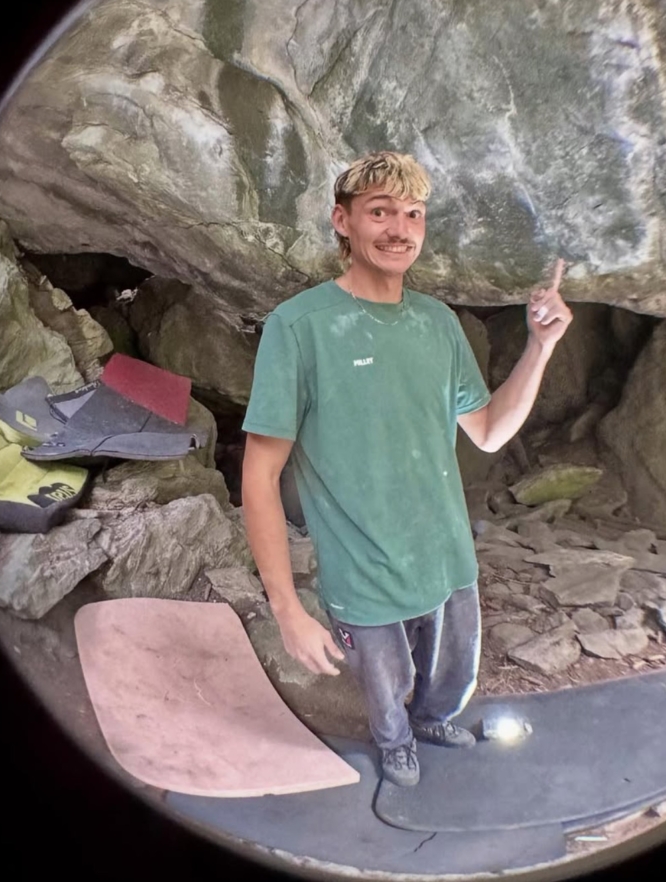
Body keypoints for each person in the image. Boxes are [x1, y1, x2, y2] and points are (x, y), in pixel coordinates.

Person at [241, 152, 572, 786]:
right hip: (364, 571)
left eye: (413, 213)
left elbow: (489, 430)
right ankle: (394, 742)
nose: (400, 229)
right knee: (384, 686)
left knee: (451, 675)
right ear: (343, 222)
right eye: (380, 212)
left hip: (446, 559)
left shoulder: (437, 323)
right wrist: (286, 610)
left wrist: (541, 345)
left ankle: (433, 721)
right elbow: (260, 474)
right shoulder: (300, 327)